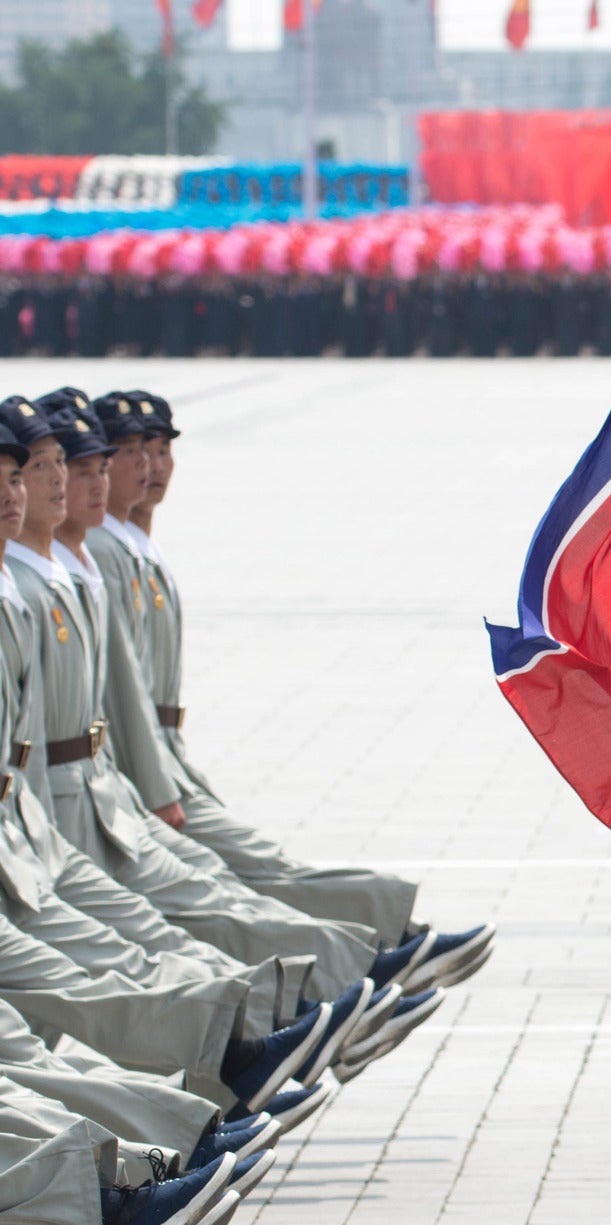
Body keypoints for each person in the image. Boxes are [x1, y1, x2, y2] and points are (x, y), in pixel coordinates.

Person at [89, 391, 493, 990]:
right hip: (128, 775)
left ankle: (360, 962)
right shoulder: (102, 552)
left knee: (226, 885)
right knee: (226, 885)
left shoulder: (133, 549)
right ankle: (364, 961)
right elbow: (115, 695)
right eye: (127, 453)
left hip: (159, 759)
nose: (151, 466)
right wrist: (151, 781)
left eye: (160, 449)